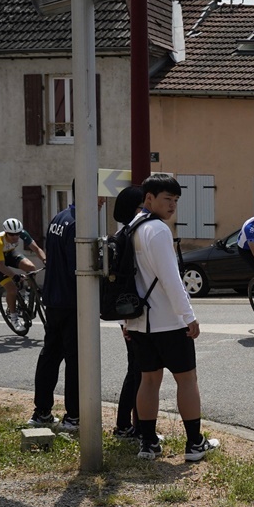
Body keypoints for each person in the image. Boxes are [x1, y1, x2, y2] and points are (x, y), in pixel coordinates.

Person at [127, 173, 219, 462]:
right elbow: (171, 279)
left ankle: (147, 443)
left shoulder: (130, 228)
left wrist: (125, 321)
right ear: (149, 198)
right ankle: (194, 444)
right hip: (168, 321)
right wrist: (188, 316)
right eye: (167, 199)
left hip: (139, 321)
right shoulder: (158, 230)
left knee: (148, 380)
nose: (172, 205)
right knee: (187, 380)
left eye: (176, 200)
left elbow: (122, 279)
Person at [29, 192, 83, 430]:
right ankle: (73, 416)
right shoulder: (79, 224)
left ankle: (41, 411)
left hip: (53, 298)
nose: (102, 201)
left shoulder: (59, 218)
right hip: (71, 301)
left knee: (50, 355)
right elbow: (78, 270)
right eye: (99, 195)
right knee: (76, 360)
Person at [111, 185, 145, 439]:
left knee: (136, 371)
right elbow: (123, 282)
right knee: (136, 372)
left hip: (127, 314)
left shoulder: (122, 233)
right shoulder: (127, 236)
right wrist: (125, 323)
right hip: (130, 315)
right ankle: (125, 425)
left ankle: (129, 424)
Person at [0, 218, 47, 316]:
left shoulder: (23, 234)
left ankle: (28, 293)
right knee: (12, 289)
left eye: (17, 234)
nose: (15, 237)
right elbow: (1, 266)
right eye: (12, 234)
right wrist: (15, 276)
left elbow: (36, 249)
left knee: (31, 268)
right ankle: (13, 315)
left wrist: (45, 260)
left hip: (10, 254)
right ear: (6, 233)